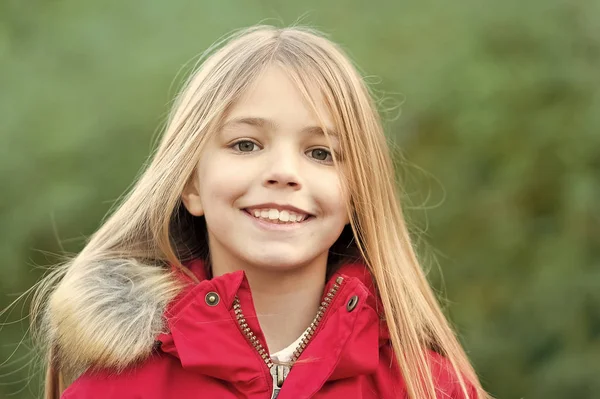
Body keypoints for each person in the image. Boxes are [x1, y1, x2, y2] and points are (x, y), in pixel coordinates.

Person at [33, 25, 490, 398]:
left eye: (321, 153)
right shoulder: (114, 392)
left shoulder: (429, 387)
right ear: (191, 183)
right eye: (245, 144)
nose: (284, 172)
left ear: (357, 197)